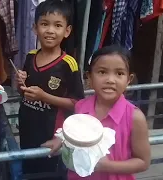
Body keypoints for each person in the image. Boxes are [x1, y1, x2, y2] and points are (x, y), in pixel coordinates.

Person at [43, 45, 151, 180]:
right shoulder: (81, 107)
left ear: (129, 79)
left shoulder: (135, 117)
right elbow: (74, 133)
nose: (110, 80)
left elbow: (143, 162)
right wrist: (61, 138)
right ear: (89, 77)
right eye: (102, 72)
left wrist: (105, 165)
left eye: (119, 73)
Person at [16, 0, 84, 179]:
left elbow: (77, 103)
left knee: (48, 173)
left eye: (58, 25)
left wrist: (45, 96)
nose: (50, 30)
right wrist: (20, 83)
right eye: (44, 24)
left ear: (67, 31)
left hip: (52, 133)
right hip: (27, 127)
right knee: (29, 168)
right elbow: (23, 92)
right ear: (34, 28)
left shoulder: (68, 64)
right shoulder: (30, 57)